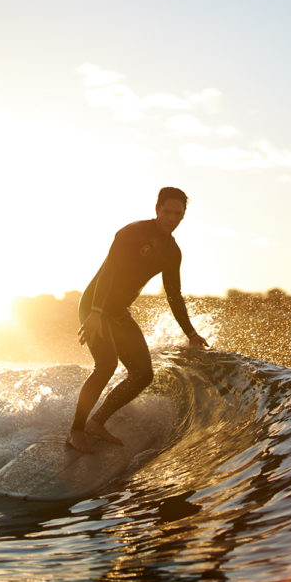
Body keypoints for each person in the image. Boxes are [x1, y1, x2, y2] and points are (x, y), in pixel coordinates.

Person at [68, 187, 208, 453]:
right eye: (167, 211)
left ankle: (96, 422)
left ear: (183, 216)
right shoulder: (131, 233)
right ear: (157, 210)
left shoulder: (172, 252)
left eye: (178, 213)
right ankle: (76, 430)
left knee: (143, 375)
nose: (171, 218)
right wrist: (96, 312)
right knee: (106, 365)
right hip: (93, 305)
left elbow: (174, 295)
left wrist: (191, 333)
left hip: (118, 312)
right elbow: (108, 273)